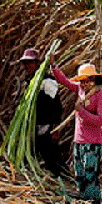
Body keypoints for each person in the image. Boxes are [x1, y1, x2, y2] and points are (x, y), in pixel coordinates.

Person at [50, 57, 102, 204]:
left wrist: (82, 112)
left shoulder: (100, 96)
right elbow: (65, 81)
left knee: (91, 175)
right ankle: (84, 202)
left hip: (93, 143)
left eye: (86, 80)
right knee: (80, 174)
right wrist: (53, 66)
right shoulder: (81, 89)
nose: (83, 83)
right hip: (79, 141)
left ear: (93, 79)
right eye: (81, 80)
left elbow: (101, 120)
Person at [18, 48, 67, 177]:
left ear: (37, 64)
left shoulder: (47, 81)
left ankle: (65, 179)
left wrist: (56, 126)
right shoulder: (30, 81)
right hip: (33, 125)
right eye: (25, 63)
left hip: (46, 125)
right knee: (35, 153)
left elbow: (56, 105)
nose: (27, 66)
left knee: (51, 155)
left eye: (30, 63)